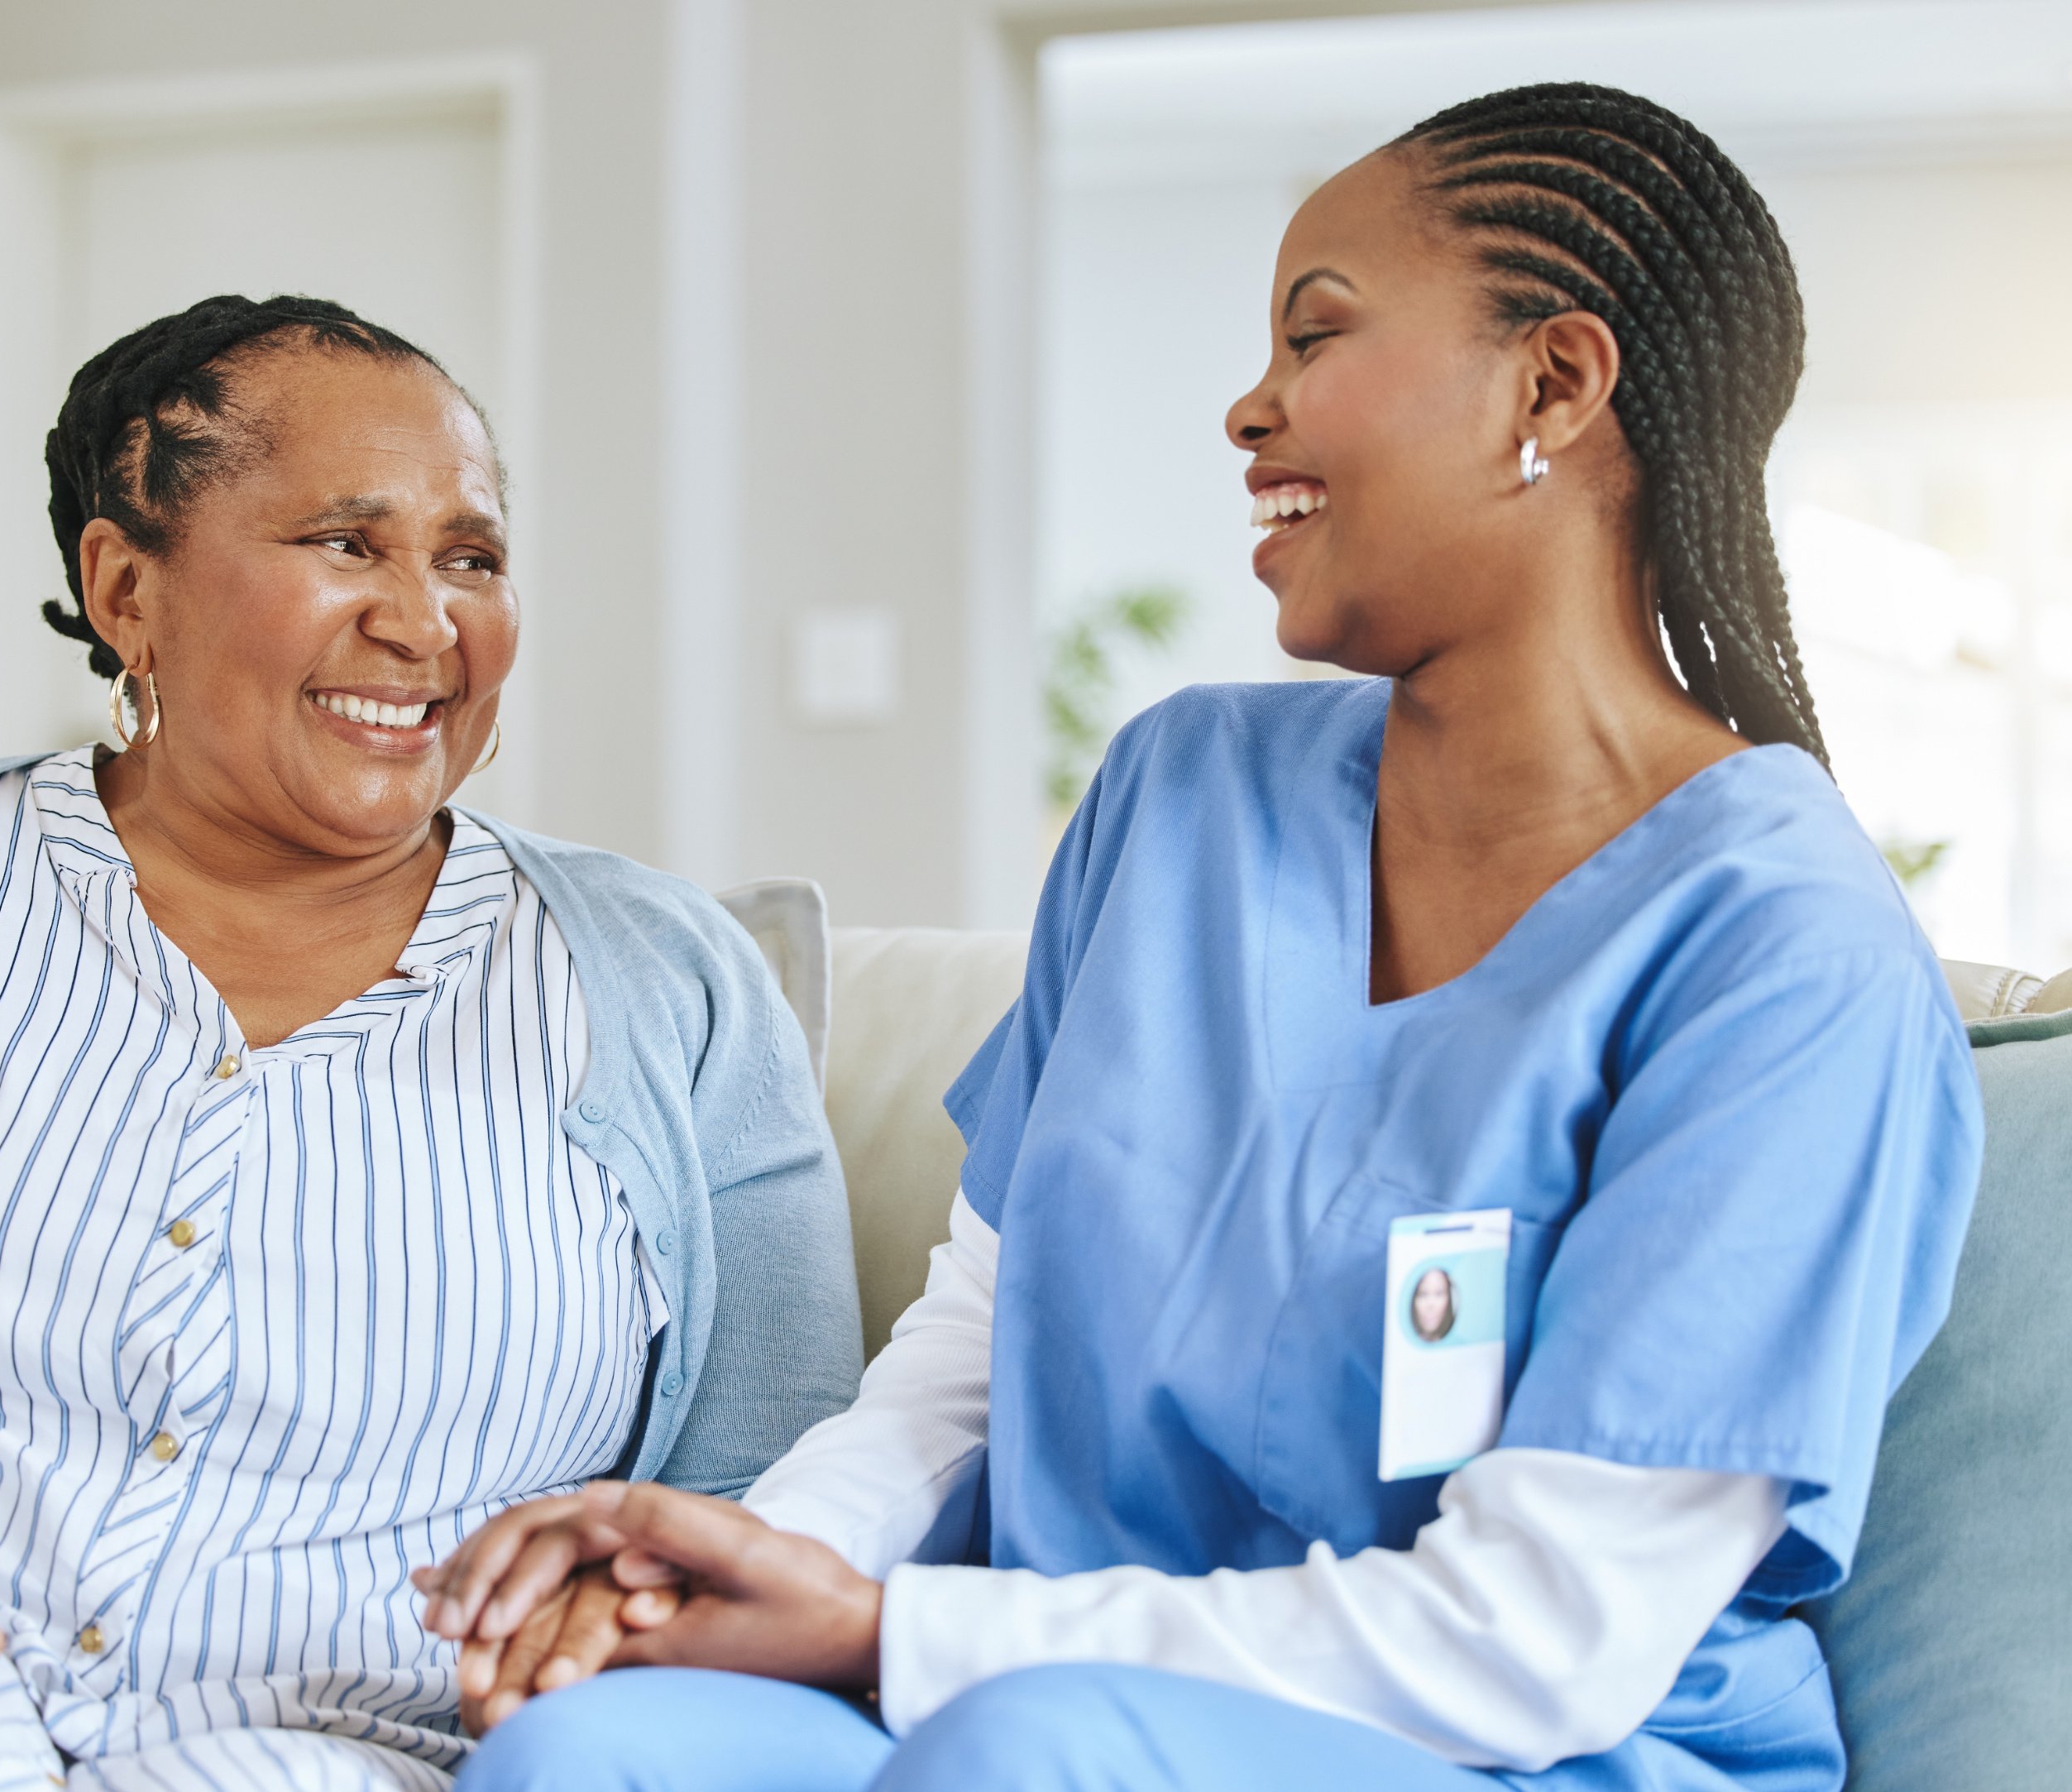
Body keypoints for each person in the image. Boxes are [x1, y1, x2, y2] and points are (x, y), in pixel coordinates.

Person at [419, 84, 1983, 1792]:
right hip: (1033, 1680)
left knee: (1033, 1755)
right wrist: (728, 1569)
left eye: (1313, 335)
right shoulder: (1183, 794)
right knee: (596, 1756)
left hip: (1515, 1750)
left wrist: (898, 1637)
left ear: (1554, 383)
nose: (1250, 407)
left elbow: (1534, 1643)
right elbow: (971, 1344)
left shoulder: (1783, 953)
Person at [0, 295, 860, 1792]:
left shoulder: (672, 983)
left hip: (349, 1739)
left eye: (471, 556)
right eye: (345, 543)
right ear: (127, 588)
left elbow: (772, 1490)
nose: (424, 620)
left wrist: (624, 1594)